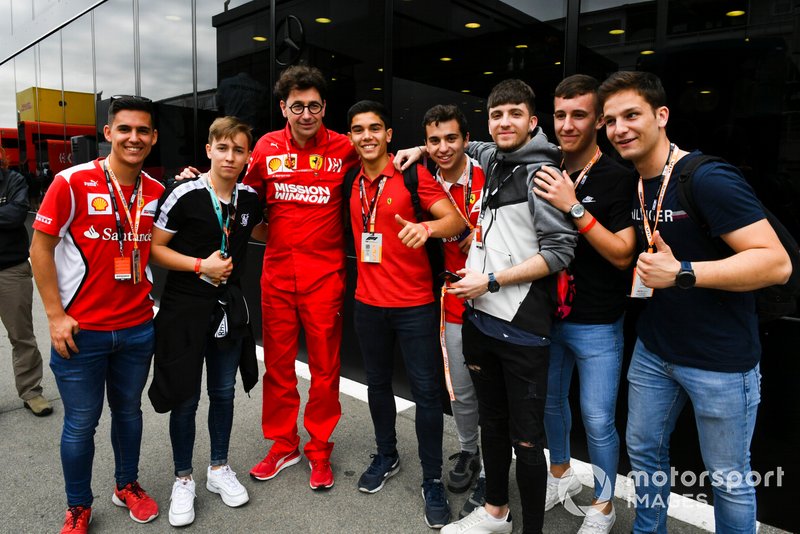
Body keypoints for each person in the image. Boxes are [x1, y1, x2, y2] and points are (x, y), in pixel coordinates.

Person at [598, 71, 791, 533]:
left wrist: (684, 272)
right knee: (645, 455)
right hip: (655, 352)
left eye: (631, 115)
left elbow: (775, 263)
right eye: (609, 120)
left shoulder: (707, 178)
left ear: (661, 116)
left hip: (721, 362)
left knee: (728, 478)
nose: (619, 128)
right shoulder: (636, 181)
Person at [398, 79, 577, 534]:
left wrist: (492, 280)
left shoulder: (544, 176)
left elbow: (559, 252)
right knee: (494, 426)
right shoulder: (494, 157)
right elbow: (460, 144)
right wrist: (419, 151)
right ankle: (496, 513)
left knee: (527, 440)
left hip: (521, 327)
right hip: (481, 320)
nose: (504, 122)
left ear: (533, 122)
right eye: (497, 115)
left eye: (515, 114)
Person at [30, 95, 163, 533]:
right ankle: (78, 506)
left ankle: (126, 485)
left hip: (136, 329)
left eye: (143, 130)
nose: (134, 137)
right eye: (125, 129)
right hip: (80, 332)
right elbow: (40, 249)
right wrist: (54, 316)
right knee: (80, 425)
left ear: (154, 138)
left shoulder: (157, 191)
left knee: (128, 413)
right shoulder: (70, 182)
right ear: (108, 133)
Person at [346, 100, 465, 529]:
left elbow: (456, 220)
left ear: (389, 134)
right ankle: (387, 454)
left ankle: (432, 479)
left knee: (427, 394)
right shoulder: (349, 178)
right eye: (358, 130)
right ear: (352, 136)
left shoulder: (414, 175)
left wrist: (427, 228)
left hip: (415, 306)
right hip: (368, 304)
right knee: (377, 385)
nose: (367, 136)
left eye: (375, 128)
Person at [243, 65, 359, 490]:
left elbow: (384, 158)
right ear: (283, 108)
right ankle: (283, 443)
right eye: (297, 106)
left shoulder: (346, 148)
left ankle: (320, 448)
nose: (306, 114)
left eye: (313, 105)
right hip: (276, 274)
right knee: (277, 366)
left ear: (324, 107)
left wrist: (417, 152)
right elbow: (245, 204)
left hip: (325, 276)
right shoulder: (266, 147)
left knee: (326, 368)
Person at [533, 74, 636, 533]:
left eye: (579, 114)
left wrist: (575, 206)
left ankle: (604, 505)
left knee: (597, 420)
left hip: (597, 323)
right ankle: (560, 475)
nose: (568, 124)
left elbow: (621, 254)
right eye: (561, 115)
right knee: (552, 405)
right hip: (547, 315)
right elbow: (489, 141)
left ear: (597, 120)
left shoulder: (618, 177)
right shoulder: (545, 166)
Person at [147, 117, 263, 526]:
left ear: (248, 155)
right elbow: (155, 251)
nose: (231, 157)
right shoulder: (184, 193)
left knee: (223, 394)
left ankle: (218, 469)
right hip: (184, 311)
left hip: (228, 310)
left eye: (239, 150)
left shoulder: (250, 199)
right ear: (210, 149)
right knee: (186, 398)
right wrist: (200, 265)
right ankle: (183, 478)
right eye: (224, 148)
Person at [420, 105, 487, 510]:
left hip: (500, 300)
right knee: (460, 390)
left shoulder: (492, 175)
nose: (443, 148)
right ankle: (469, 452)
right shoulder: (420, 181)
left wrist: (477, 229)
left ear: (466, 139)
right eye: (433, 140)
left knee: (495, 394)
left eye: (451, 138)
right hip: (451, 301)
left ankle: (496, 467)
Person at [0, 148, 52, 417]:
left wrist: (6, 213)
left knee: (22, 336)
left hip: (10, 269)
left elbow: (15, 215)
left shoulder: (13, 180)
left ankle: (31, 391)